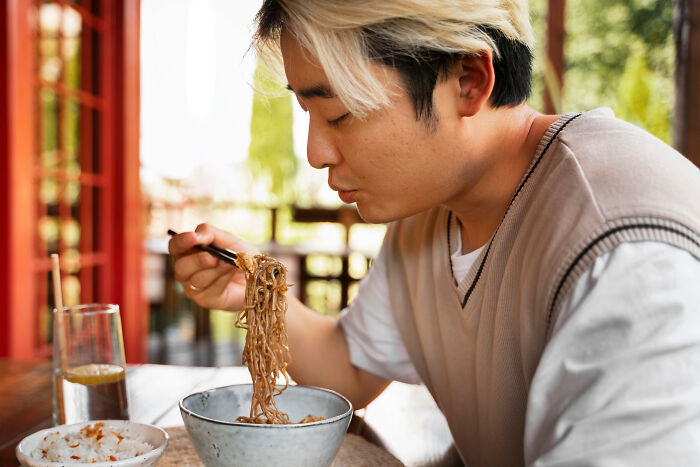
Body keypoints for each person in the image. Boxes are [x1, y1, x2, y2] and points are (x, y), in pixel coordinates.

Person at [169, 1, 700, 465]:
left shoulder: (628, 255)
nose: (315, 152)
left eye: (339, 113)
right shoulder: (431, 213)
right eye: (308, 112)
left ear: (468, 80)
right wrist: (259, 294)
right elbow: (352, 370)